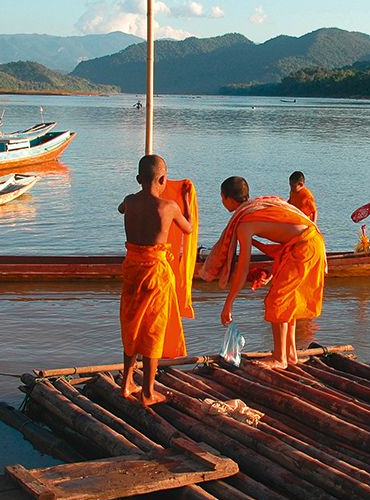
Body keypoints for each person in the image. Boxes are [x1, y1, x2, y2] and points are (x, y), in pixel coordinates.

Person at [201, 176, 326, 369]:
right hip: (306, 244)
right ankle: (290, 353)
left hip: (305, 247)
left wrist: (228, 304)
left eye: (221, 197)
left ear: (226, 198)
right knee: (287, 299)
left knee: (277, 300)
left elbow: (242, 268)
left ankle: (279, 358)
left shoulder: (244, 223)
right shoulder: (256, 207)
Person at [118, 155, 194, 406]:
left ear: (138, 179)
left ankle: (127, 382)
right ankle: (148, 392)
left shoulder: (129, 202)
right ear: (163, 179)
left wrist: (141, 192)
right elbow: (189, 228)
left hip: (131, 269)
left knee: (131, 325)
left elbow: (121, 208)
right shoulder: (169, 206)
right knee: (153, 328)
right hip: (155, 273)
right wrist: (184, 199)